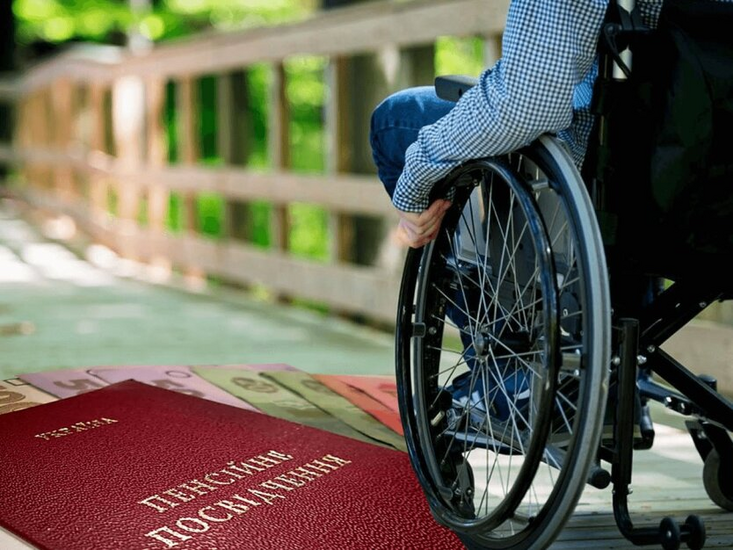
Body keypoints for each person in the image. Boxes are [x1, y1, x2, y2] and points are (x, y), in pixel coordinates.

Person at [369, 0, 672, 250]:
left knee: (393, 122)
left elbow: (526, 104)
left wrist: (414, 183)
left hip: (605, 165)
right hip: (686, 178)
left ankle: (496, 318)